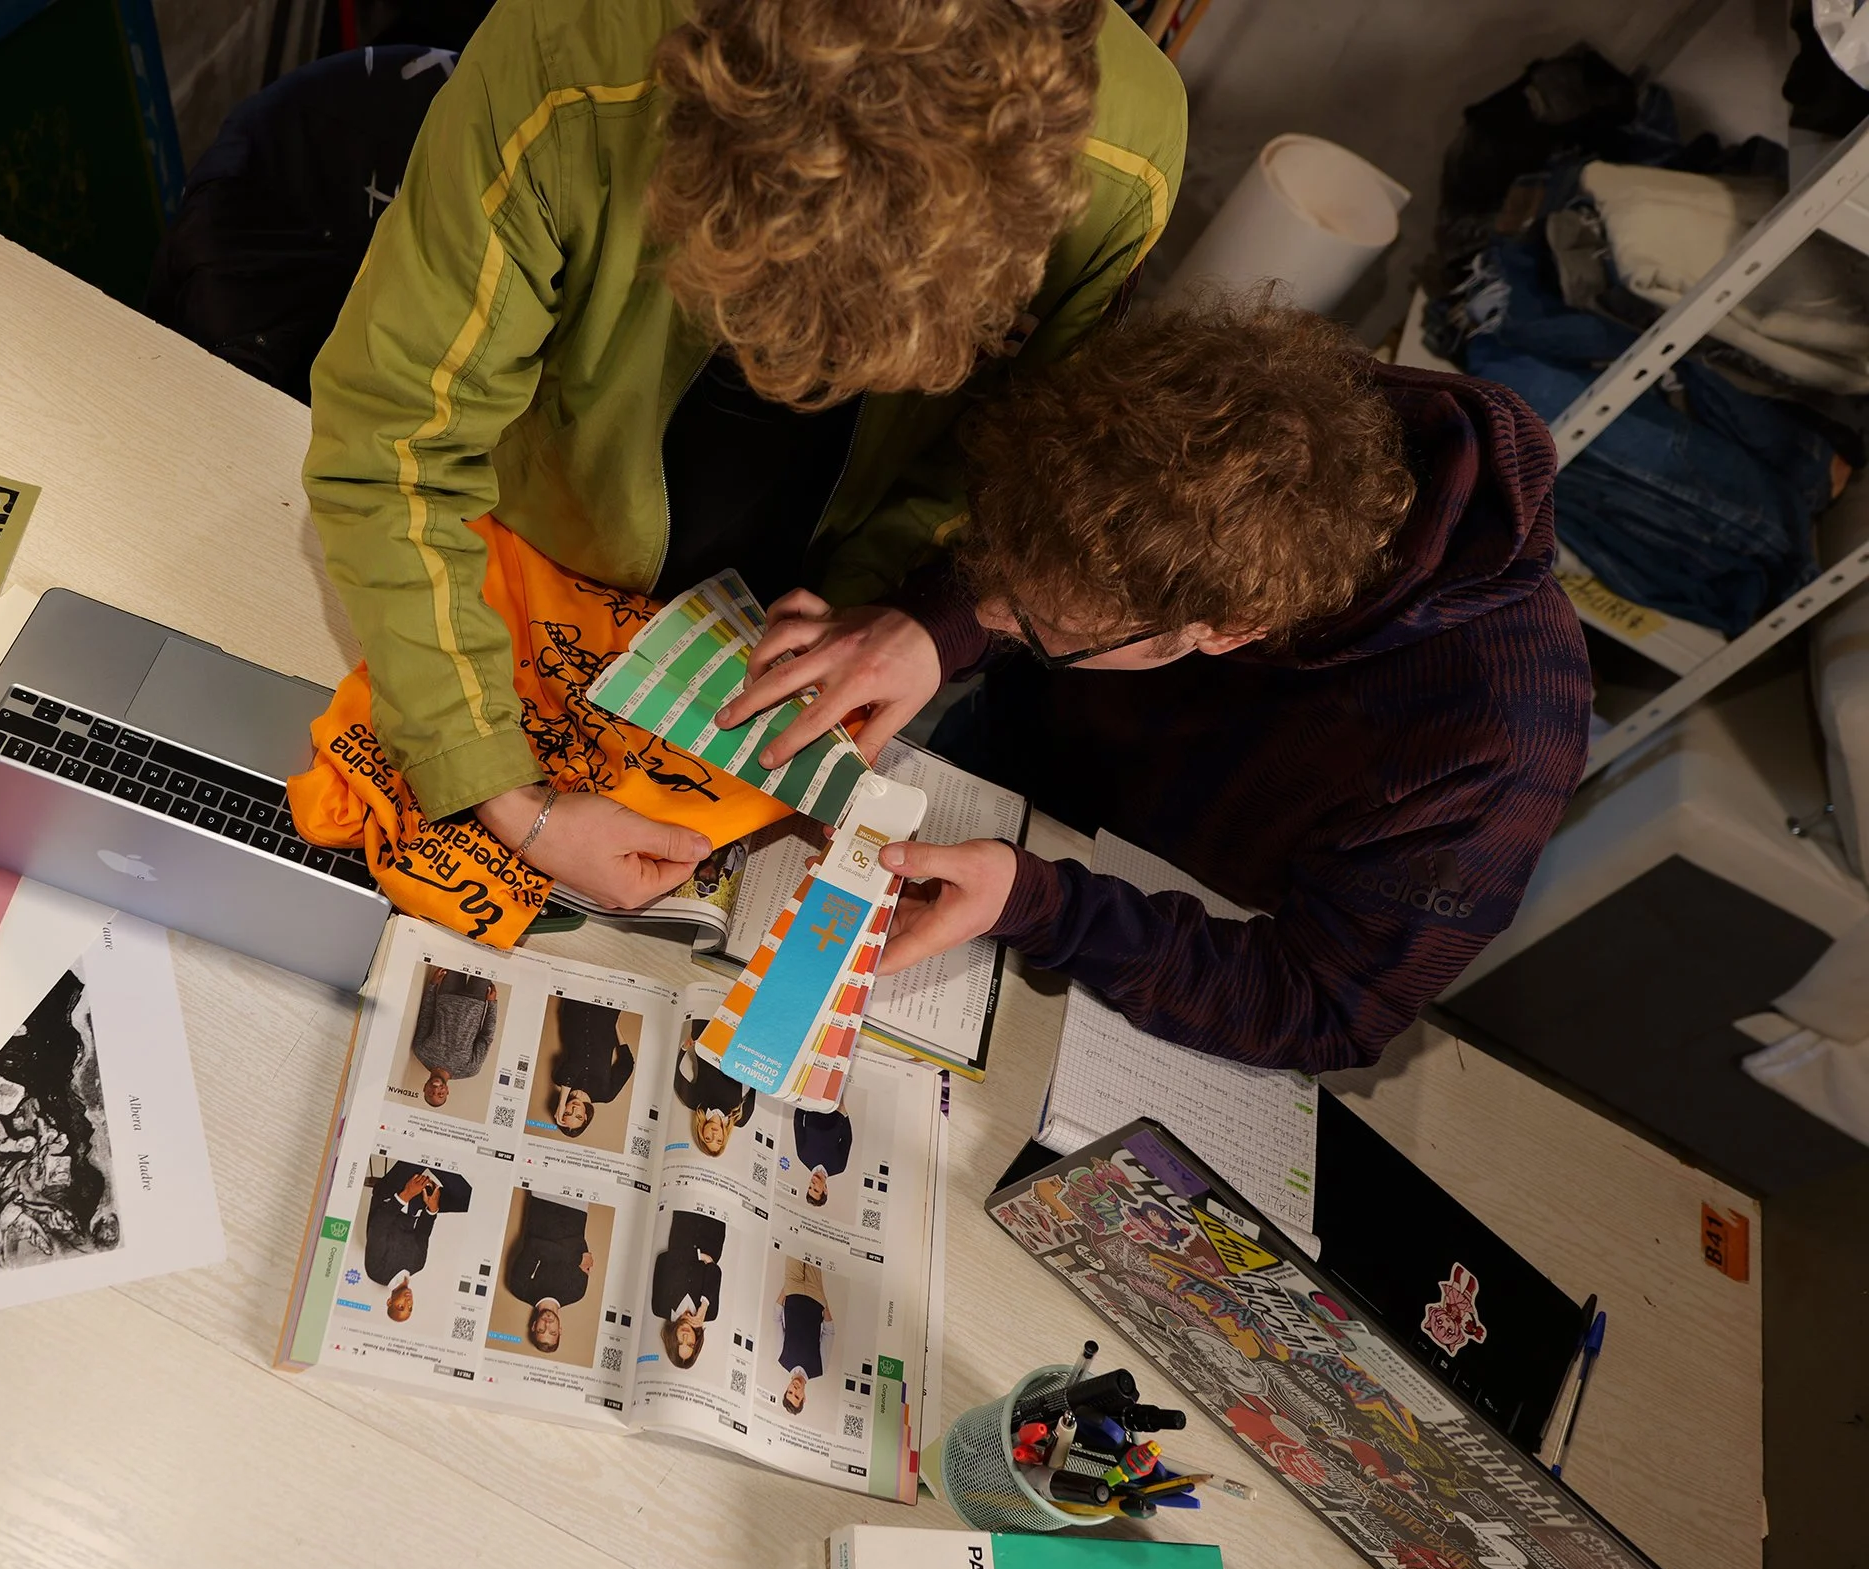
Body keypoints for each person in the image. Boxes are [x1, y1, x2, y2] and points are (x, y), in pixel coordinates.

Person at [307, 0, 1188, 912]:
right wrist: (505, 794)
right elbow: (395, 440)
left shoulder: (1125, 157)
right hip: (531, 553)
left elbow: (1010, 471)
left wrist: (912, 611)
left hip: (810, 614)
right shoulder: (565, 44)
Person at [721, 300, 1591, 1076]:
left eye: (1037, 627)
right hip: (1011, 783)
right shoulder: (1215, 412)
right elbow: (1047, 561)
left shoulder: (1502, 734)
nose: (993, 611)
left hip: (1174, 948)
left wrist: (1047, 907)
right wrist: (934, 626)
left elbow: (1326, 1006)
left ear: (1229, 632)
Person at [363, 1161, 474, 1321]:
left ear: (389, 1301)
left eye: (401, 1306)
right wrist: (432, 1207)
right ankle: (441, 1160)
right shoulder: (418, 1265)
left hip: (391, 1198)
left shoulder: (376, 1272)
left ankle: (437, 1159)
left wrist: (407, 1194)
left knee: (420, 1156)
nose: (408, 1302)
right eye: (410, 1307)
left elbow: (379, 1225)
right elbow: (423, 1232)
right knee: (468, 1200)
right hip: (415, 1206)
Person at [504, 1194, 594, 1353]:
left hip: (543, 1200)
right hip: (577, 1209)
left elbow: (534, 1246)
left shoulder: (519, 1288)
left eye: (540, 1330)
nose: (547, 1324)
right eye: (552, 1332)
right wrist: (571, 1254)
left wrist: (573, 1258)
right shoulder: (576, 1293)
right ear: (560, 1329)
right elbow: (581, 1246)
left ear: (533, 1326)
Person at [410, 967, 499, 1109]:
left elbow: (426, 1016)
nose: (436, 1090)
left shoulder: (420, 1052)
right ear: (447, 1092)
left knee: (460, 953)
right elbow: (486, 1037)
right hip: (476, 1001)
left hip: (446, 994)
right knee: (487, 958)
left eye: (430, 1093)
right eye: (440, 1094)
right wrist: (492, 1004)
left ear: (424, 1088)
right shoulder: (470, 1070)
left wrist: (432, 986)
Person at [545, 999, 635, 1138]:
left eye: (567, 1112)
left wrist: (562, 1101)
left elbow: (577, 1060)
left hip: (576, 1010)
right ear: (586, 1117)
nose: (574, 1109)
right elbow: (627, 1065)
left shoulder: (559, 1078)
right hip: (605, 1016)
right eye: (579, 1116)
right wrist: (615, 1027)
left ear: (561, 1110)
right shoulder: (606, 1094)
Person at [650, 1209, 726, 1368]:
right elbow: (715, 1271)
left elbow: (664, 1260)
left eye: (680, 1342)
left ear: (672, 1340)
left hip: (685, 1223)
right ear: (696, 1342)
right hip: (714, 1231)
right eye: (690, 1344)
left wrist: (700, 1257)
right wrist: (704, 1304)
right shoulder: (709, 1313)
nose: (685, 1337)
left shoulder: (660, 1307)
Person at [672, 1033, 755, 1157]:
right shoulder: (740, 1118)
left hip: (707, 1041)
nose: (714, 1135)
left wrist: (684, 1048)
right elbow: (755, 1086)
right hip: (738, 1047)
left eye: (708, 1138)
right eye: (719, 1140)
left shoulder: (693, 1102)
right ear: (724, 1137)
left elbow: (676, 1078)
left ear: (701, 1133)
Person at [774, 1255, 833, 1414]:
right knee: (814, 1245)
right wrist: (824, 1304)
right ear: (804, 1398)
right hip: (816, 1297)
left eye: (790, 1393)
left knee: (796, 1240)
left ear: (786, 1389)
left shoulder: (782, 1357)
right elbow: (829, 1332)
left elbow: (776, 1319)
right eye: (797, 1396)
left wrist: (786, 1288)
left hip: (792, 1290)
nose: (794, 1390)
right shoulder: (820, 1368)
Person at [791, 1105, 853, 1209]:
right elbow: (847, 1140)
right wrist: (844, 1115)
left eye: (810, 1187)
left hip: (814, 1105)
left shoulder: (803, 1156)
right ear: (825, 1190)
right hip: (835, 1110)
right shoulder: (839, 1167)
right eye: (816, 1189)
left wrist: (805, 1103)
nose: (812, 1184)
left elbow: (798, 1124)